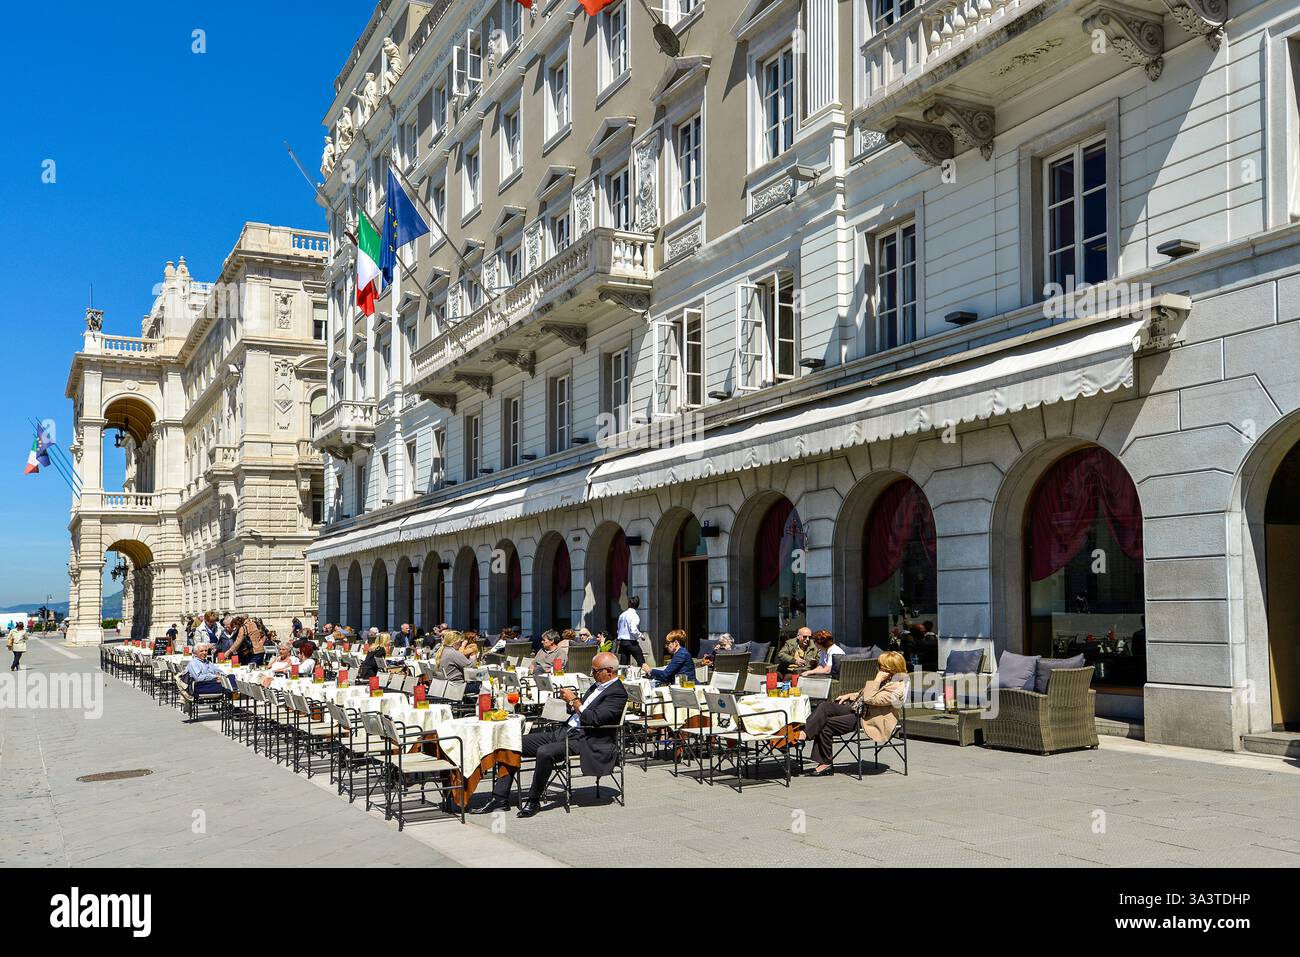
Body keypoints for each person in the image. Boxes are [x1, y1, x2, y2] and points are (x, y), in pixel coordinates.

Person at [477, 651, 628, 818]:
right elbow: (581, 710)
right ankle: (500, 798)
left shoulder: (617, 692)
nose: (592, 674)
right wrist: (571, 703)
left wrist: (574, 701)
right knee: (512, 742)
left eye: (595, 671)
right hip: (565, 731)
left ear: (609, 671)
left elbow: (594, 719)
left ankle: (534, 800)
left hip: (586, 738)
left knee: (545, 752)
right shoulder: (597, 686)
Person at [802, 651, 909, 777]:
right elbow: (864, 694)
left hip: (871, 718)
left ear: (890, 669)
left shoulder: (898, 688)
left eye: (881, 667)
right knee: (825, 706)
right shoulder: (886, 680)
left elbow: (871, 699)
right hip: (860, 709)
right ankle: (803, 734)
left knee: (827, 724)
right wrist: (850, 695)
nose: (878, 669)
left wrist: (877, 679)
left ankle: (825, 763)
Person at [616, 595, 644, 667]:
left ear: (628, 604)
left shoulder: (622, 615)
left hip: (622, 642)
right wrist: (640, 635)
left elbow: (618, 629)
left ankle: (622, 677)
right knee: (641, 662)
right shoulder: (634, 616)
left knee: (623, 665)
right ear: (637, 605)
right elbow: (633, 630)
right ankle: (646, 675)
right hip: (631, 642)